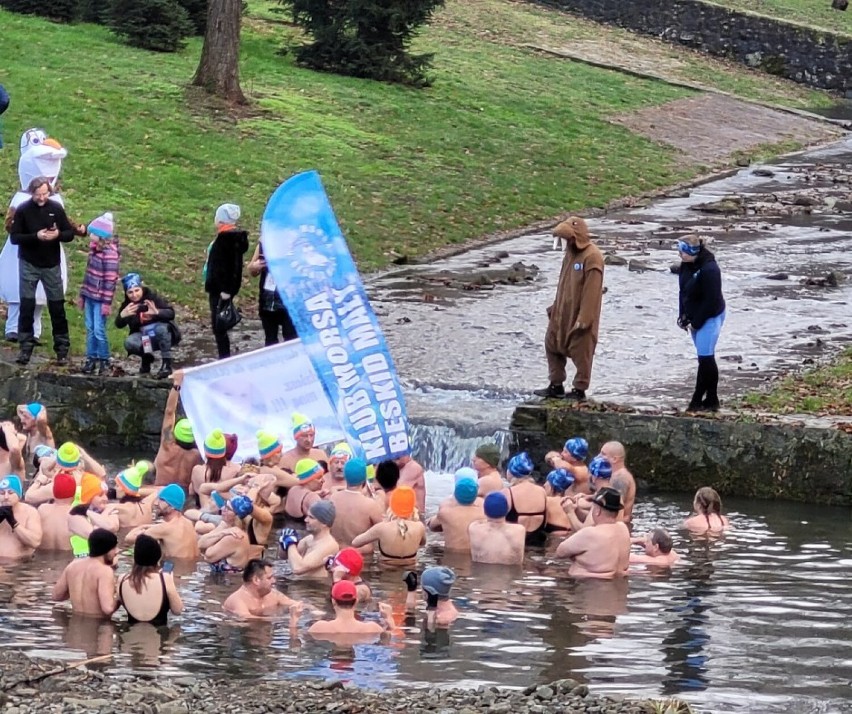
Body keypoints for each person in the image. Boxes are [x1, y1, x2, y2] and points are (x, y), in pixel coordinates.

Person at [9, 176, 80, 365]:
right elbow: (15, 237)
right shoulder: (23, 210)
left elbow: (69, 234)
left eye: (45, 194)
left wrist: (57, 235)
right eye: (38, 194)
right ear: (32, 193)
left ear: (49, 192)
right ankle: (25, 348)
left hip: (51, 265)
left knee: (57, 307)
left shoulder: (55, 208)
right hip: (29, 263)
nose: (41, 198)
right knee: (27, 306)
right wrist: (35, 236)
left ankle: (62, 349)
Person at [535, 216, 604, 401]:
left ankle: (579, 388)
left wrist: (585, 318)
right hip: (561, 314)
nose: (566, 243)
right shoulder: (570, 255)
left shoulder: (592, 256)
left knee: (582, 351)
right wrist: (555, 308)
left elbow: (592, 292)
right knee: (552, 344)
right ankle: (555, 384)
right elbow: (563, 284)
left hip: (579, 315)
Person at [677, 235, 726, 412]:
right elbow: (683, 291)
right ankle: (712, 399)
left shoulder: (710, 270)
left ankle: (696, 401)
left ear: (693, 251)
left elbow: (711, 301)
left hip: (710, 316)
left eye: (682, 251)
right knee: (704, 358)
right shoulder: (686, 265)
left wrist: (696, 322)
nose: (680, 255)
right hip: (694, 315)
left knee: (705, 358)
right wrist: (682, 315)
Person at [115, 272, 181, 379]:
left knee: (160, 329)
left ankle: (167, 364)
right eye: (130, 292)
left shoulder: (152, 298)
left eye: (137, 290)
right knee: (129, 342)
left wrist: (157, 312)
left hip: (163, 333)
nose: (134, 295)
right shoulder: (128, 306)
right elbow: (118, 324)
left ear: (141, 288)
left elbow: (171, 313)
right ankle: (146, 359)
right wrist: (122, 316)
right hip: (144, 337)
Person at [555, 487, 630, 579]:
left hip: (590, 586)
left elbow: (560, 552)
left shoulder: (590, 533)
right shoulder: (623, 529)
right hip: (619, 586)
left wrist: (570, 512)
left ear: (597, 511)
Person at [204, 203, 248, 359]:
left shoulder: (227, 240)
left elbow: (231, 268)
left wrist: (227, 290)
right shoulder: (226, 238)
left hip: (220, 290)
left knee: (219, 325)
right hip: (217, 288)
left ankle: (224, 357)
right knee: (218, 324)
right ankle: (224, 355)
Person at [79, 212, 120, 375]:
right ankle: (91, 357)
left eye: (93, 233)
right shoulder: (94, 251)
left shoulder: (110, 254)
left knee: (98, 329)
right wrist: (82, 295)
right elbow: (87, 276)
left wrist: (106, 303)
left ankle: (104, 359)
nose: (90, 235)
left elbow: (110, 280)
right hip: (89, 295)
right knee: (90, 328)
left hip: (100, 299)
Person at [351, 486, 426, 567]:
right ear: (412, 507)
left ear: (392, 505)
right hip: (411, 572)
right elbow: (423, 543)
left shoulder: (381, 528)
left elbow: (355, 543)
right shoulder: (419, 527)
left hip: (386, 571)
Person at [52, 528, 119, 617]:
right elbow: (108, 609)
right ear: (106, 549)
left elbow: (56, 596)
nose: (117, 551)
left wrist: (74, 590)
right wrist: (120, 597)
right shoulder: (105, 571)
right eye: (114, 548)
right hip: (97, 626)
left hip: (75, 625)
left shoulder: (72, 566)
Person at [119, 534, 183, 626]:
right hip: (159, 636)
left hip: (130, 637)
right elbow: (178, 610)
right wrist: (170, 580)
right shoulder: (165, 579)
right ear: (157, 557)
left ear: (136, 557)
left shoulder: (122, 580)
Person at [153, 371, 203, 488]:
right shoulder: (198, 457)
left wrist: (177, 384)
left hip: (158, 494)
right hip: (182, 500)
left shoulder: (167, 444)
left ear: (175, 434)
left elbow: (169, 412)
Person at [125, 484, 200, 560]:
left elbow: (129, 539)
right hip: (191, 569)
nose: (156, 503)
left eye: (162, 500)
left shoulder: (164, 528)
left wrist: (142, 526)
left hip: (176, 570)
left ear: (172, 506)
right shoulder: (189, 523)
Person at [301, 580, 394, 638]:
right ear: (356, 600)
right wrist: (389, 618)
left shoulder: (319, 628)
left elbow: (295, 640)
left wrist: (293, 619)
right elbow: (389, 639)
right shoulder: (372, 628)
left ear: (333, 601)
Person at [247, 241, 298, 345]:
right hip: (268, 301)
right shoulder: (263, 243)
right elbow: (251, 269)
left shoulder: (295, 243)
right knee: (270, 340)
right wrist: (255, 266)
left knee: (290, 339)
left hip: (289, 302)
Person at [328, 459, 383, 549]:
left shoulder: (333, 498)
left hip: (336, 552)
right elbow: (384, 532)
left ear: (345, 476)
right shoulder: (370, 505)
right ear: (364, 479)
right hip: (360, 555)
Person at [279, 500, 339, 579]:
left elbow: (298, 568)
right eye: (307, 516)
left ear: (324, 523)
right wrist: (283, 542)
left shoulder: (330, 545)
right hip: (300, 585)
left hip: (313, 588)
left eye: (311, 517)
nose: (306, 520)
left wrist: (290, 543)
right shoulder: (309, 539)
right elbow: (284, 556)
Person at [223, 559, 299, 619]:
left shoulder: (273, 594)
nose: (274, 581)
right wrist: (280, 619)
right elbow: (246, 618)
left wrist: (309, 609)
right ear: (256, 580)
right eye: (269, 578)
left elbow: (294, 603)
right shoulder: (237, 600)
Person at [501, 452, 549, 546]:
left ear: (511, 471)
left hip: (514, 544)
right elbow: (545, 522)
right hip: (538, 545)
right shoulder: (542, 491)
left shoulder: (507, 493)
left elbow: (498, 523)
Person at [67, 472, 119, 557]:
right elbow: (95, 536)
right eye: (100, 495)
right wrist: (106, 512)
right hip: (82, 558)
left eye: (106, 495)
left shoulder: (106, 509)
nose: (105, 499)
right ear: (89, 497)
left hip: (103, 558)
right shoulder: (75, 512)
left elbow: (113, 526)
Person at [427, 476, 484, 552]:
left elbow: (432, 527)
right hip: (476, 555)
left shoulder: (445, 513)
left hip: (451, 557)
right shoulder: (484, 513)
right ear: (475, 494)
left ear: (455, 494)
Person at [199, 495, 253, 573]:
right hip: (219, 580)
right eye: (225, 505)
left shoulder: (236, 536)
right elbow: (200, 543)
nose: (222, 509)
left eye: (228, 509)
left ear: (237, 516)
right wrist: (222, 533)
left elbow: (208, 556)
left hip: (229, 582)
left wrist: (218, 535)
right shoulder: (225, 526)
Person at [468, 492, 525, 566]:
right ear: (507, 509)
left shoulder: (474, 528)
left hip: (481, 575)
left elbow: (479, 521)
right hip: (511, 576)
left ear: (485, 511)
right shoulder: (519, 530)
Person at [190, 429, 240, 510]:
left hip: (204, 512)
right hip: (226, 513)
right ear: (224, 451)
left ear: (205, 451)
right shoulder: (234, 471)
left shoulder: (197, 470)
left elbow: (191, 492)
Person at [0, 475, 43, 559]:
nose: (6, 497)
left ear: (19, 495)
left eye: (11, 492)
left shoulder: (30, 512)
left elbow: (35, 542)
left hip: (20, 565)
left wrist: (13, 522)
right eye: (2, 493)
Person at [37, 472, 77, 550]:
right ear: (74, 494)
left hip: (42, 557)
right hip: (68, 560)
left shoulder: (42, 509)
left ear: (53, 492)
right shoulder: (76, 514)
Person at [599, 441, 636, 523]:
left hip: (618, 522)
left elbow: (612, 506)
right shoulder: (613, 475)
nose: (599, 457)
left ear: (614, 459)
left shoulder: (620, 477)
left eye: (603, 454)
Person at [542, 469, 573, 534]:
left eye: (547, 481)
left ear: (551, 486)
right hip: (571, 537)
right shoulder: (572, 502)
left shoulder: (546, 501)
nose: (544, 485)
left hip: (553, 538)